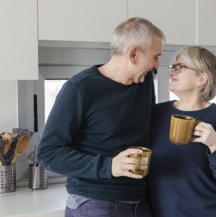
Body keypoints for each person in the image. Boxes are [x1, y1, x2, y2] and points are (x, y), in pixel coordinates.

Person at [37, 17, 165, 217]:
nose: (157, 65)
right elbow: (48, 153)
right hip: (95, 202)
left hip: (139, 200)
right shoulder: (80, 88)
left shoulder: (145, 82)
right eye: (155, 57)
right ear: (133, 54)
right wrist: (109, 166)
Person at [148, 46, 216, 216]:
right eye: (173, 67)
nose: (172, 73)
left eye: (181, 67)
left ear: (202, 78)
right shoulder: (156, 113)